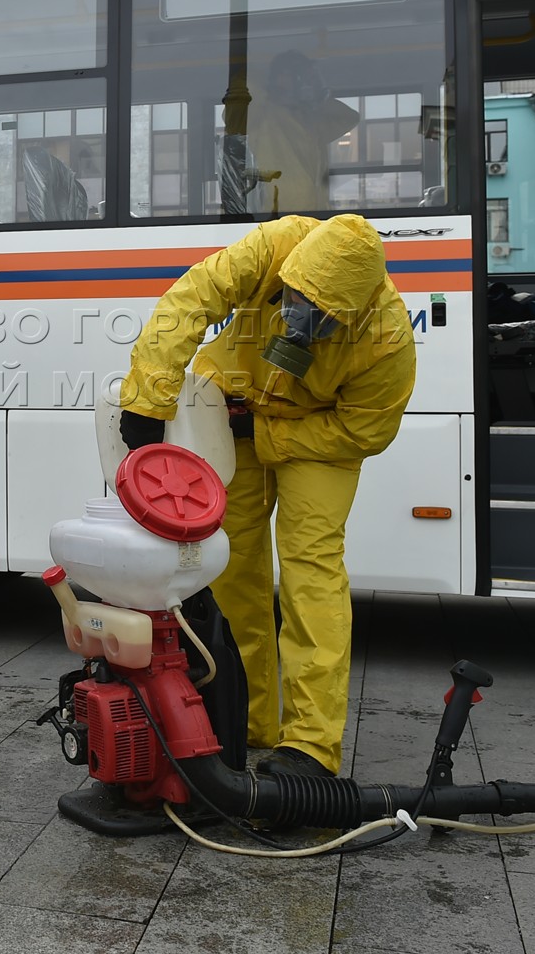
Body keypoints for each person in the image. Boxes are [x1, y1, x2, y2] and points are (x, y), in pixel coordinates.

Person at [118, 215, 416, 778]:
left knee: (311, 570)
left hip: (316, 438)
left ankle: (310, 747)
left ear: (353, 313)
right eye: (293, 299)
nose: (299, 320)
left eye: (320, 316)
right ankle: (248, 717)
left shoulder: (388, 339)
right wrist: (147, 399)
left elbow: (364, 432)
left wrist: (268, 435)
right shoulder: (274, 246)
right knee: (230, 562)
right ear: (290, 270)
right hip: (232, 412)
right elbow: (189, 301)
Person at [223, 51, 360, 216]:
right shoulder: (262, 115)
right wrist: (269, 85)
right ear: (277, 78)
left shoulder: (310, 118)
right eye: (295, 76)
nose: (300, 84)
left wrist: (320, 94)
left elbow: (350, 118)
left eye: (303, 78)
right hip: (276, 220)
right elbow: (233, 116)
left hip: (316, 218)